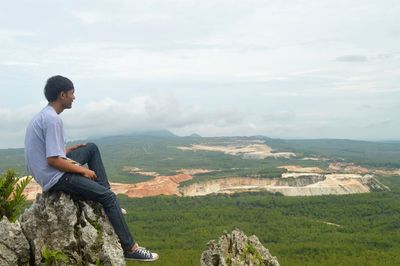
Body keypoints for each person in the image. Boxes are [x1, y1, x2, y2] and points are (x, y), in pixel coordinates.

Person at [24, 75, 158, 262]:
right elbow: (53, 161)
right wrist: (82, 170)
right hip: (55, 177)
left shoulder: (44, 116)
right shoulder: (53, 120)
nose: (74, 97)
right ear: (62, 95)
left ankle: (109, 200)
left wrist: (66, 151)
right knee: (108, 198)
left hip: (49, 169)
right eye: (72, 93)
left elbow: (51, 153)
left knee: (91, 149)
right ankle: (130, 248)